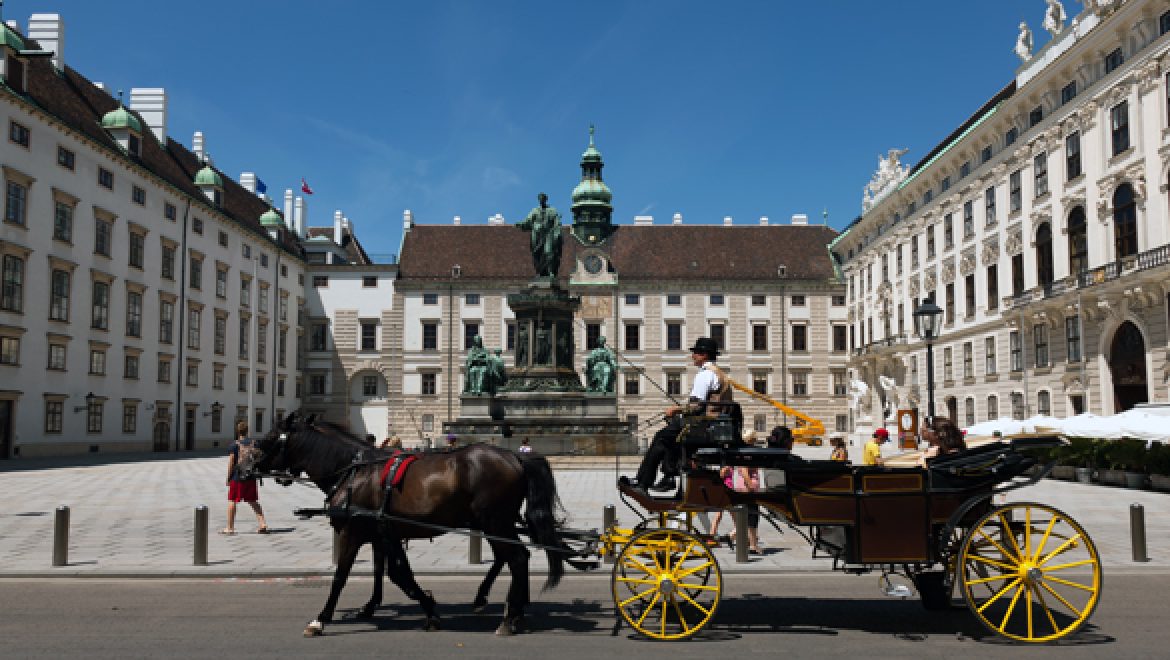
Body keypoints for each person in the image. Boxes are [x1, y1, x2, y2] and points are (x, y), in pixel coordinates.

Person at [632, 337, 732, 493]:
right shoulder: (718, 373)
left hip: (705, 426)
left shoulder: (705, 374)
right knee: (670, 432)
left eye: (696, 353)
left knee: (661, 437)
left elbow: (696, 406)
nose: (693, 356)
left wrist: (675, 410)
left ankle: (644, 482)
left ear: (704, 355)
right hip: (715, 426)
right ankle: (668, 476)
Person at [222, 421, 268, 535]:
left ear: (237, 431)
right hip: (251, 476)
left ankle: (230, 527)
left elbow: (232, 462)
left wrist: (228, 477)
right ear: (247, 431)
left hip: (238, 477)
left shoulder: (234, 445)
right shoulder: (254, 443)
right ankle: (262, 523)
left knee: (232, 501)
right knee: (253, 501)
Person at [515, 192, 563, 277]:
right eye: (540, 199)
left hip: (548, 235)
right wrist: (521, 224)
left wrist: (557, 232)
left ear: (546, 199)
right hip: (537, 236)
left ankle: (550, 271)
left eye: (543, 198)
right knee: (537, 255)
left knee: (549, 252)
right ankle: (540, 272)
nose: (541, 200)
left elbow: (557, 223)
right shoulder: (535, 211)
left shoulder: (552, 210)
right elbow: (528, 221)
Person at [733, 431, 762, 555]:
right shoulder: (747, 453)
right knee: (752, 517)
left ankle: (751, 543)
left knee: (748, 517)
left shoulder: (743, 452)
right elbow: (745, 471)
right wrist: (750, 485)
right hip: (748, 489)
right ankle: (752, 545)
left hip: (744, 488)